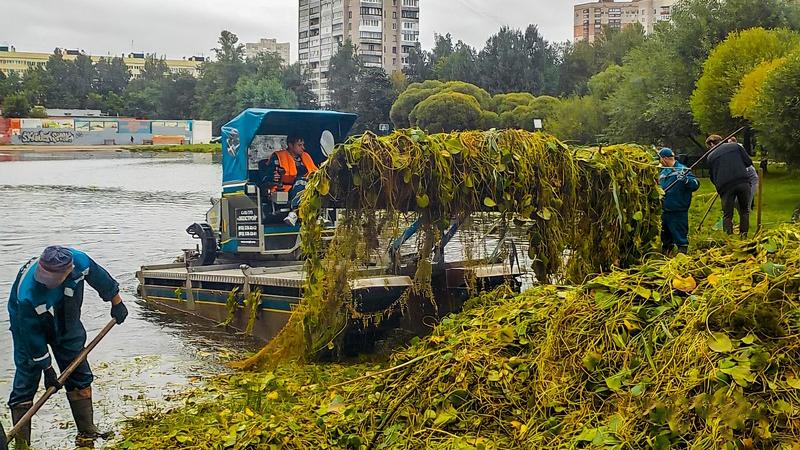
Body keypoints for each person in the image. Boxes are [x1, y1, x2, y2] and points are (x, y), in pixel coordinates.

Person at [7, 246, 128, 447]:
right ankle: (22, 443)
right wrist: (47, 369)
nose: (45, 282)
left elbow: (102, 280)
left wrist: (116, 302)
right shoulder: (27, 294)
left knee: (78, 372)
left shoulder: (80, 262)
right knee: (27, 375)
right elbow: (31, 336)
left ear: (68, 271)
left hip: (67, 318)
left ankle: (87, 430)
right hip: (26, 324)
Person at [259, 134, 318, 226]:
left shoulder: (306, 157)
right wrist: (272, 177)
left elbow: (315, 172)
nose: (303, 148)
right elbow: (265, 177)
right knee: (301, 182)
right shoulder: (277, 157)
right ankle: (294, 212)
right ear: (290, 145)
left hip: (308, 189)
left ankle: (317, 215)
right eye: (299, 145)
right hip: (285, 188)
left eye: (303, 145)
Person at [706, 134, 754, 237]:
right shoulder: (736, 146)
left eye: (709, 147)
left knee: (727, 215)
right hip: (743, 181)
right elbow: (748, 162)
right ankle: (744, 235)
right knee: (744, 211)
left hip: (725, 187)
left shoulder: (710, 157)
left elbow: (712, 176)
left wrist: (718, 185)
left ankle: (729, 238)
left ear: (711, 143)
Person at [659, 148, 700, 254]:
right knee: (665, 234)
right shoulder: (662, 173)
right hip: (664, 209)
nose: (659, 162)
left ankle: (682, 253)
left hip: (678, 209)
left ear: (665, 159)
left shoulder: (683, 169)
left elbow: (695, 184)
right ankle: (666, 252)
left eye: (660, 159)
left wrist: (686, 180)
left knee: (679, 233)